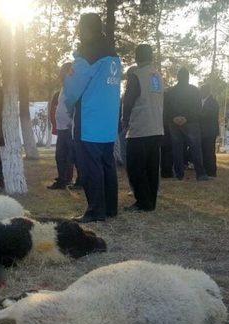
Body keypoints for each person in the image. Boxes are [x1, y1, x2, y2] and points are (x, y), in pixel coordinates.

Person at [63, 13, 122, 223]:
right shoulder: (113, 56)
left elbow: (72, 91)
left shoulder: (87, 56)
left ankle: (96, 210)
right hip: (108, 121)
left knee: (90, 166)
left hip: (89, 120)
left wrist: (68, 102)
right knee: (107, 164)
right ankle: (110, 208)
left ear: (86, 29)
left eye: (81, 28)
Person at [121, 44, 163, 212]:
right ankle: (150, 201)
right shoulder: (157, 75)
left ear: (137, 57)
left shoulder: (136, 75)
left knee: (135, 167)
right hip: (156, 127)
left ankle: (142, 201)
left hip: (139, 129)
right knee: (152, 168)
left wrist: (125, 120)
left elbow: (129, 100)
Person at [165, 68, 209, 181]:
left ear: (177, 77)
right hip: (191, 122)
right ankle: (200, 174)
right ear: (188, 77)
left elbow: (166, 108)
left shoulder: (170, 91)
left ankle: (179, 174)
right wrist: (186, 118)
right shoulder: (194, 90)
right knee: (195, 148)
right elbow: (198, 108)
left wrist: (174, 118)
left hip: (174, 123)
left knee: (177, 149)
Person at [48, 62, 76, 190]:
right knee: (60, 156)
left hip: (70, 128)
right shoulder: (63, 89)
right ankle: (62, 180)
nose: (61, 74)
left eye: (64, 72)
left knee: (70, 156)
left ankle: (72, 180)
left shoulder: (73, 87)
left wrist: (72, 122)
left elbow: (74, 106)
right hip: (61, 128)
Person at [199, 83, 220, 177]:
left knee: (209, 152)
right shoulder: (201, 101)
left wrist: (196, 115)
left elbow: (208, 115)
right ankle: (205, 170)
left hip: (209, 131)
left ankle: (211, 172)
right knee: (204, 151)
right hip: (203, 131)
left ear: (206, 91)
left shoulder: (213, 102)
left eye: (202, 90)